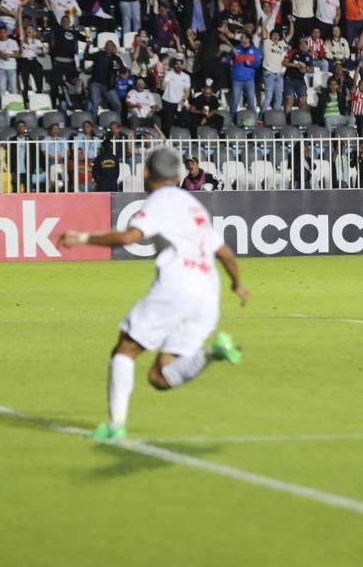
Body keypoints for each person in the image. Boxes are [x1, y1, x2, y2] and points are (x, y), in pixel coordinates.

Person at [56, 147, 249, 441]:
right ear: (178, 174)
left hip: (177, 287)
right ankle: (212, 353)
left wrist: (81, 238)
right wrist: (237, 284)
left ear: (147, 173)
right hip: (208, 294)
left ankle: (115, 425)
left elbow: (127, 238)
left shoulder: (159, 201)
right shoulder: (194, 205)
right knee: (160, 377)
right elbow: (224, 252)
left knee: (126, 349)